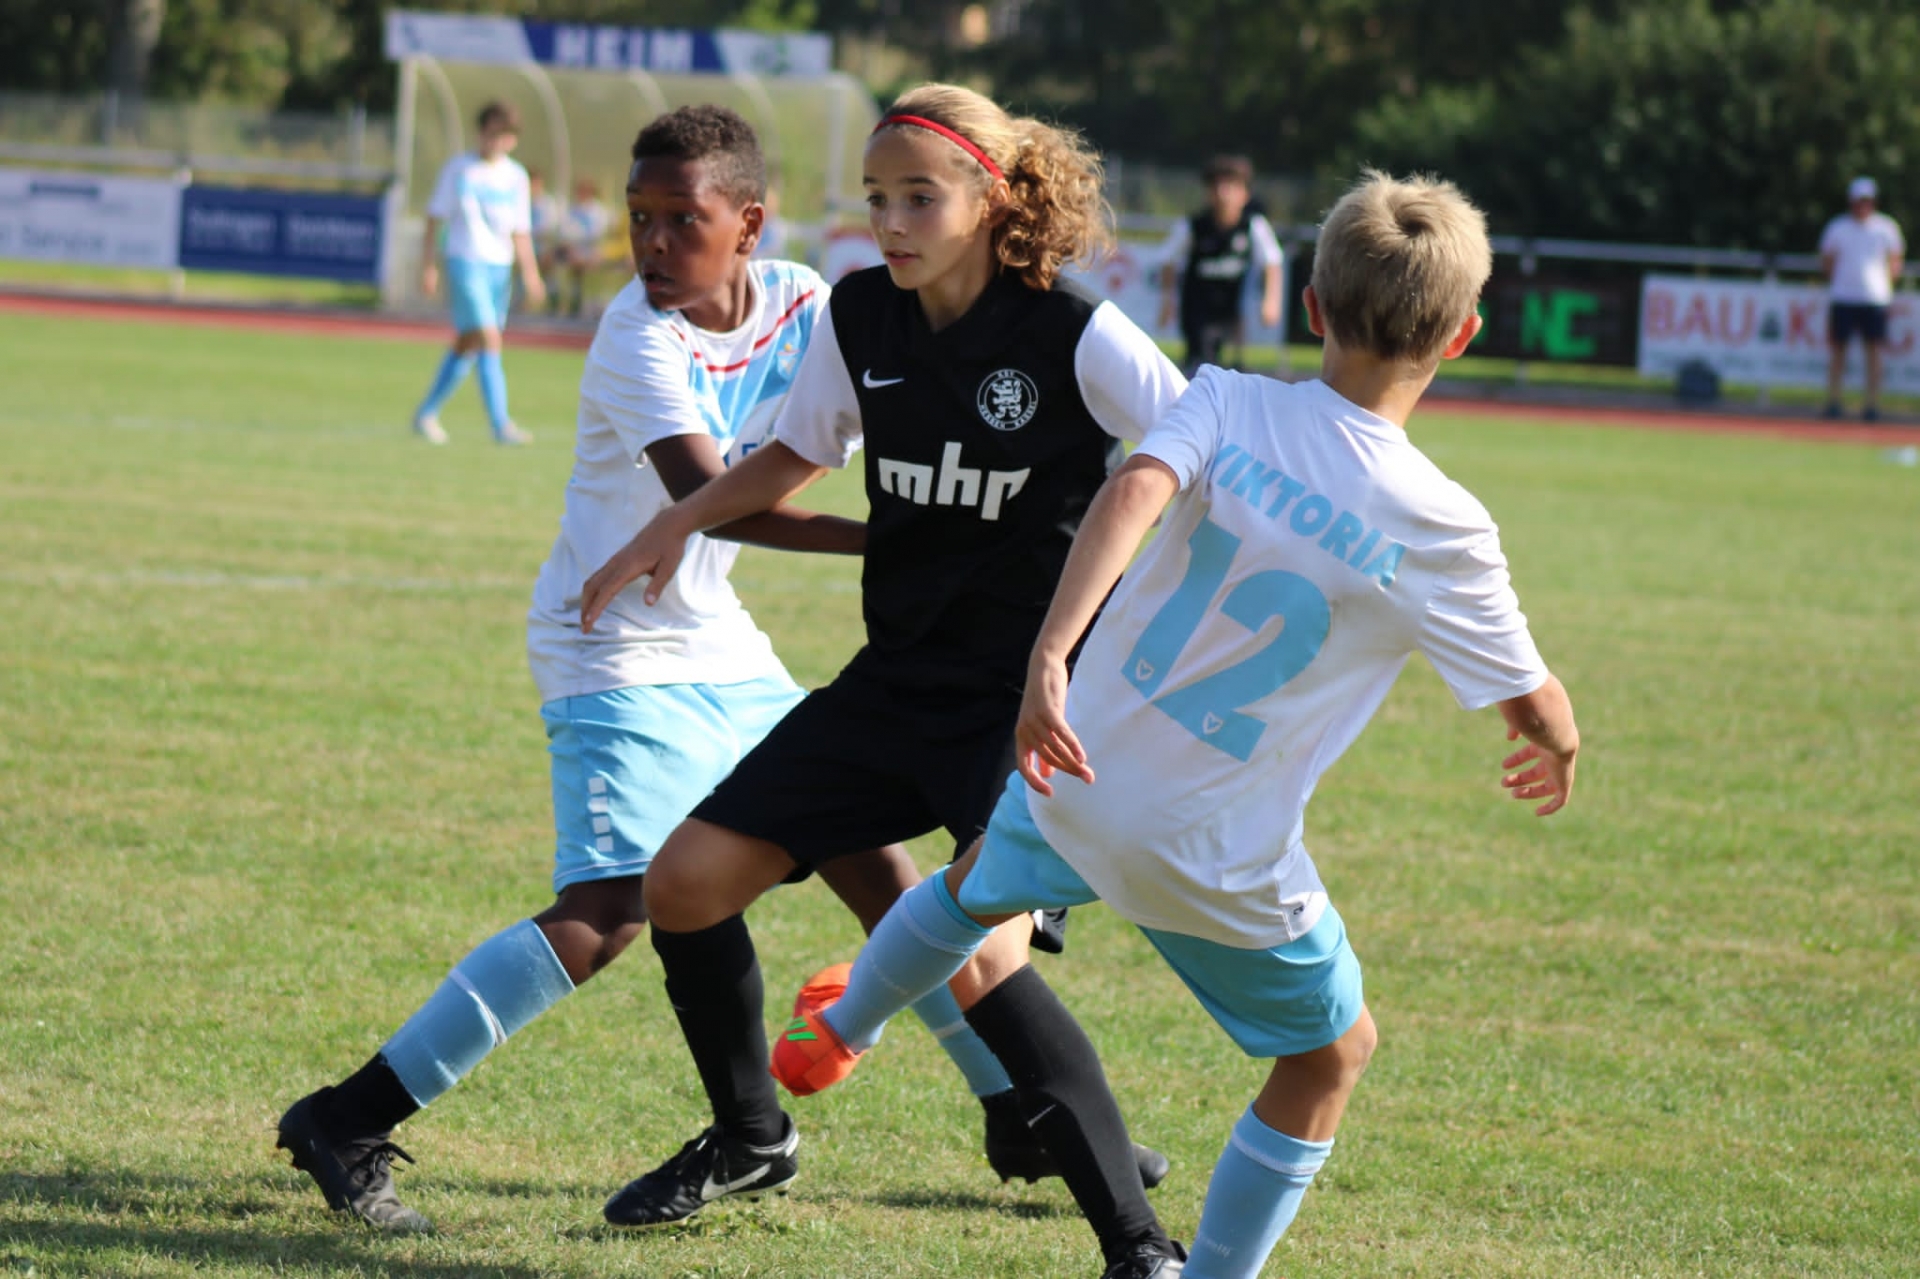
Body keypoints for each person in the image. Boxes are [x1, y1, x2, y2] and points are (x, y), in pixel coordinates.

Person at [772, 170, 1583, 1279]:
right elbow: (1529, 699)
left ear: (1312, 305)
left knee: (967, 891)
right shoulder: (1446, 525)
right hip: (1215, 847)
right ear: (1462, 335)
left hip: (1078, 774)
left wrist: (1049, 656)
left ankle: (843, 1026)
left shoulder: (1229, 399)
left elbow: (1131, 492)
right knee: (1331, 1054)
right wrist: (1557, 738)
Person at [275, 105, 1066, 1235]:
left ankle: (1020, 1109)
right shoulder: (635, 337)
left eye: (679, 219)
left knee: (882, 874)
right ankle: (347, 1118)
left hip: (715, 634)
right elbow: (716, 498)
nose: (650, 241)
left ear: (749, 224)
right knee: (611, 910)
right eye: (638, 216)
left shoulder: (804, 300)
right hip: (610, 643)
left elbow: (888, 395)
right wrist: (911, 538)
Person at [577, 84, 1187, 1274]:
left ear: (993, 200)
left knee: (982, 954)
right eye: (875, 198)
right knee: (685, 884)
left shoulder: (1073, 330)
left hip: (1019, 707)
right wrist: (677, 521)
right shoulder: (861, 314)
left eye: (919, 198)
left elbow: (1196, 455)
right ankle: (751, 1135)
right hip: (894, 683)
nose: (891, 223)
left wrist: (1126, 639)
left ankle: (1140, 1249)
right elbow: (798, 451)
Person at [411, 100, 546, 446]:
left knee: (468, 342)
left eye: (504, 136)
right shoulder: (460, 169)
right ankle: (501, 425)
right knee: (489, 338)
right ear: (480, 133)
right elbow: (435, 218)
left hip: (499, 268)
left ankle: (425, 414)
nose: (496, 142)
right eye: (491, 134)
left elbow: (520, 231)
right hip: (465, 261)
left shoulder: (516, 177)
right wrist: (428, 265)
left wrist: (531, 275)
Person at [1156, 154, 1283, 376]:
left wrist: (1271, 300)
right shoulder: (1193, 226)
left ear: (1245, 194)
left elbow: (1272, 262)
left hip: (1231, 312)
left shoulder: (1253, 226)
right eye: (1216, 187)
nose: (1223, 194)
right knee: (1202, 365)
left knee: (1233, 368)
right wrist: (1168, 300)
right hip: (1197, 311)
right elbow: (1168, 260)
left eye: (1231, 186)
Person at [1820, 176, 1905, 422]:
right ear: (1851, 202)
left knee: (1874, 351)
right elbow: (1827, 261)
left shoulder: (1886, 228)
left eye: (1867, 201)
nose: (1863, 206)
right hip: (1844, 296)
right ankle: (1834, 401)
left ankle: (1872, 405)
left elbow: (1895, 260)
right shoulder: (1838, 227)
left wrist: (1885, 285)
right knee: (1839, 350)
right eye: (1859, 201)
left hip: (1874, 299)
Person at [552, 176, 613, 318]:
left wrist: (582, 247)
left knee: (580, 261)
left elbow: (597, 236)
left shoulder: (598, 212)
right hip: (573, 251)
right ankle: (559, 299)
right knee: (553, 258)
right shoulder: (573, 210)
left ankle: (582, 300)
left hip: (591, 251)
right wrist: (570, 246)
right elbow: (564, 233)